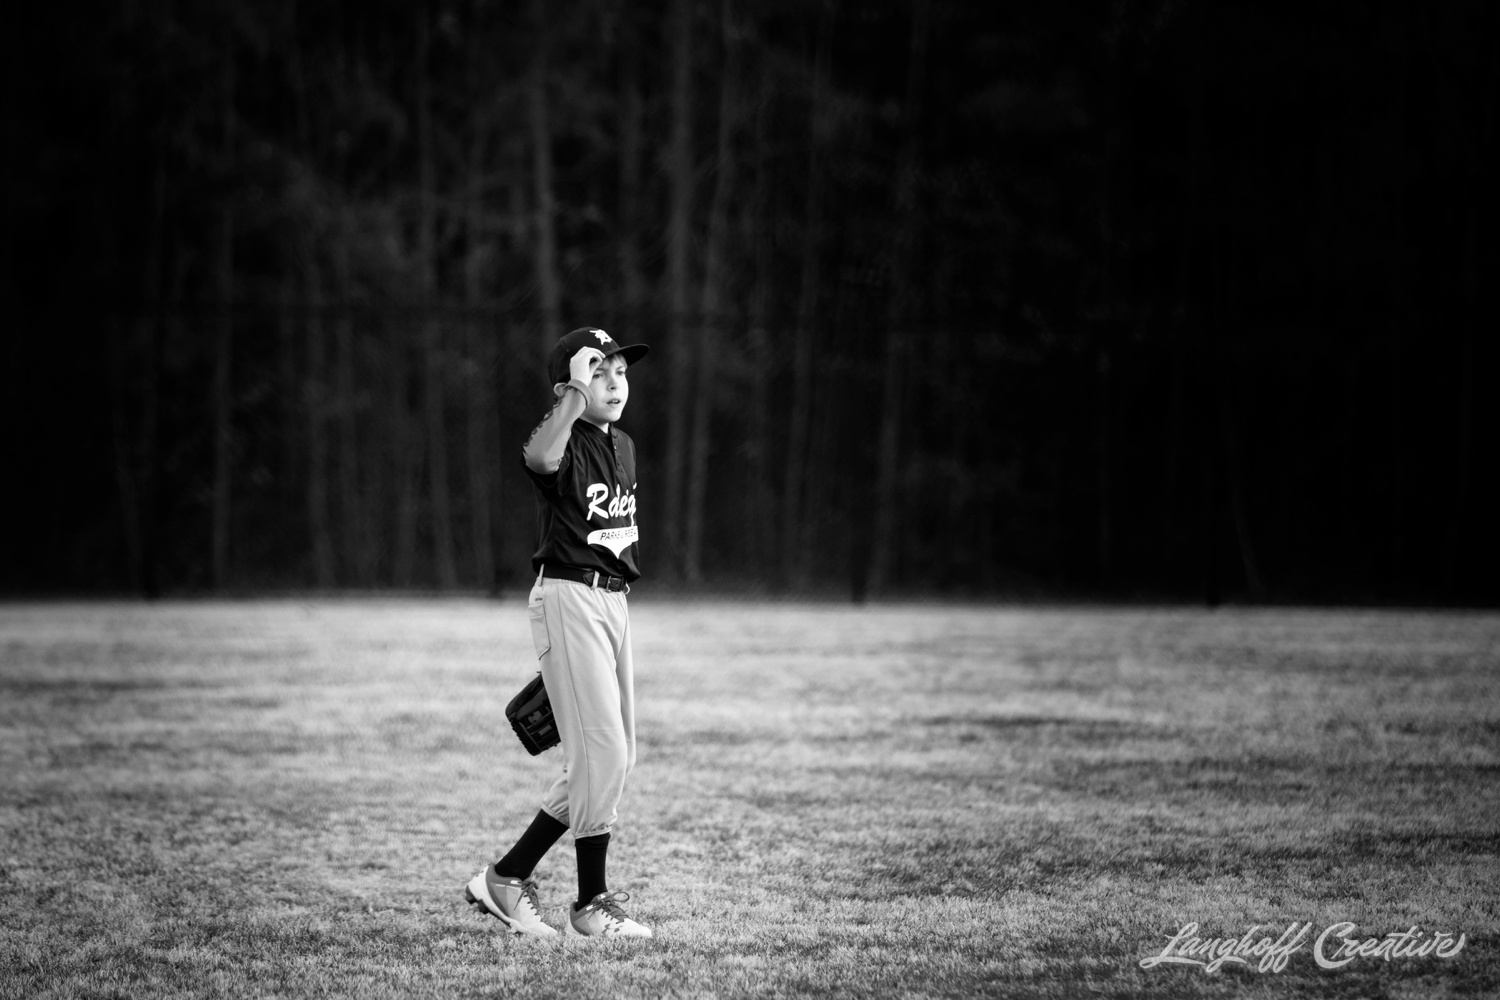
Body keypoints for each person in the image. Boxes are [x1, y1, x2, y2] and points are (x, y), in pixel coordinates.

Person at [465, 327, 652, 939]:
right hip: (569, 596)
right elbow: (538, 459)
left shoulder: (622, 445)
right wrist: (573, 391)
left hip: (613, 603)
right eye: (599, 371)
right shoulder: (563, 438)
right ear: (570, 386)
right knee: (602, 756)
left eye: (619, 369)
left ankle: (508, 876)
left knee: (612, 759)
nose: (615, 380)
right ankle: (591, 902)